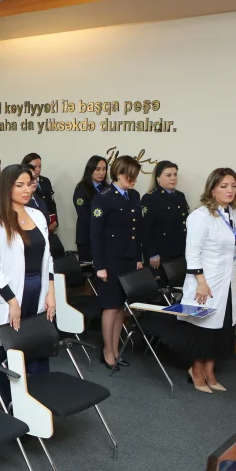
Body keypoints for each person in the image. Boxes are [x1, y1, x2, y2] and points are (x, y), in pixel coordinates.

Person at [0, 164, 56, 389]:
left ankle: (38, 400)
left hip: (38, 289)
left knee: (37, 345)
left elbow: (47, 257)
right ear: (6, 188)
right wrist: (12, 301)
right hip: (10, 295)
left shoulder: (38, 216)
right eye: (19, 185)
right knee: (11, 350)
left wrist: (51, 292)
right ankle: (11, 405)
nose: (27, 190)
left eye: (29, 184)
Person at [179, 168, 236, 393]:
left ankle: (210, 370)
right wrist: (201, 282)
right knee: (204, 330)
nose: (230, 190)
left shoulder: (235, 216)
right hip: (206, 281)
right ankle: (196, 371)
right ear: (213, 189)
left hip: (225, 281)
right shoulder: (201, 216)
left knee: (221, 329)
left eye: (233, 186)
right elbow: (192, 252)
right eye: (224, 186)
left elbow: (235, 251)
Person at [91, 156, 144, 370]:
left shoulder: (134, 196)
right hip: (110, 260)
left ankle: (115, 348)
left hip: (129, 259)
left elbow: (136, 231)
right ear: (119, 173)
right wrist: (99, 266)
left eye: (135, 177)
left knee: (121, 307)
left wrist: (138, 258)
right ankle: (107, 351)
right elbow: (96, 235)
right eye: (130, 176)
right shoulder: (103, 198)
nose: (133, 180)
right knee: (110, 306)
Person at [141, 160, 189, 280]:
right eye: (168, 175)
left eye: (175, 174)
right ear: (158, 178)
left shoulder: (180, 196)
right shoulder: (150, 198)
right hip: (160, 255)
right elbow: (145, 229)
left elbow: (185, 224)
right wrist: (152, 253)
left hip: (179, 251)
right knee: (161, 292)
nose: (173, 178)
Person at [72, 155, 109, 262]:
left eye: (104, 169)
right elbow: (84, 216)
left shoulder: (107, 188)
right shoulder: (81, 189)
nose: (101, 173)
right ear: (90, 170)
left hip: (105, 238)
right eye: (97, 169)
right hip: (88, 238)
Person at [21, 152, 57, 230]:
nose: (38, 169)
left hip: (47, 222)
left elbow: (51, 201)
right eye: (34, 166)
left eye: (40, 166)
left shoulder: (45, 181)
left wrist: (54, 220)